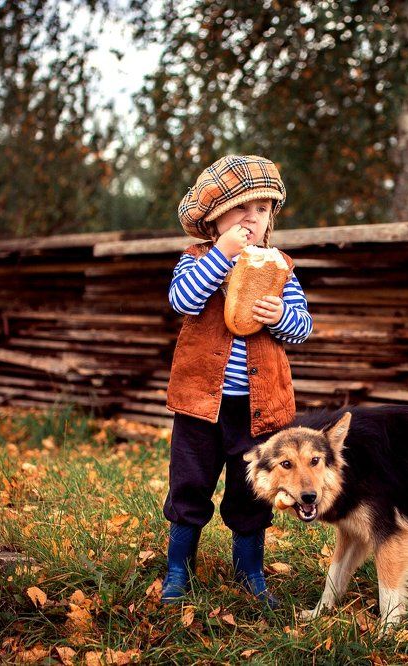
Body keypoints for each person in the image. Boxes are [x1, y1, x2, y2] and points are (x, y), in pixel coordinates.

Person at [160, 155, 313, 608]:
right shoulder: (196, 262)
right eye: (241, 209)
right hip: (199, 406)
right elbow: (183, 302)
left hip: (258, 407)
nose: (253, 218)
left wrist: (282, 316)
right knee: (190, 484)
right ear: (212, 222)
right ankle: (177, 570)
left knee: (251, 493)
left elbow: (303, 327)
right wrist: (223, 255)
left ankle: (250, 571)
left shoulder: (280, 268)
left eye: (263, 210)